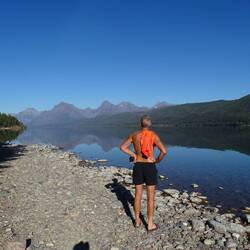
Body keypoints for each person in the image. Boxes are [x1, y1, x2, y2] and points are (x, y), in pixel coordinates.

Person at [120, 115, 167, 231]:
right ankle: (150, 224)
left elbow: (122, 147)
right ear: (150, 124)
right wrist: (157, 160)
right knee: (151, 197)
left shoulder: (134, 135)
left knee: (138, 194)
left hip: (138, 166)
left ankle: (137, 220)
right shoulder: (153, 136)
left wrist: (134, 155)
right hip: (150, 167)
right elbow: (164, 151)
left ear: (140, 124)